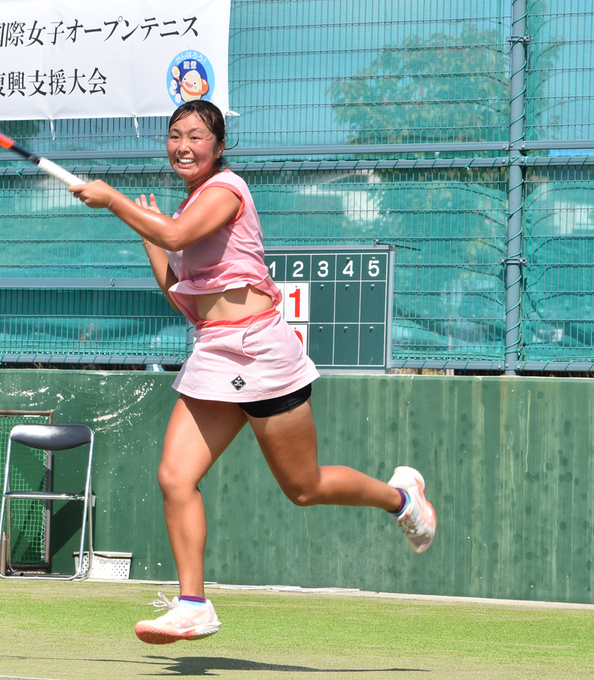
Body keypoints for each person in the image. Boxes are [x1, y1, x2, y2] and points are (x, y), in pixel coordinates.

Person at [69, 100, 436, 645]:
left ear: (219, 148)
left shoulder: (225, 192)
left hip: (260, 356)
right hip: (213, 354)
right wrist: (149, 235)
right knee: (175, 476)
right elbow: (181, 293)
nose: (183, 145)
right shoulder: (188, 208)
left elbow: (176, 236)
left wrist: (116, 202)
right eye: (174, 135)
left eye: (196, 135)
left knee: (304, 487)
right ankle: (192, 604)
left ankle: (401, 498)